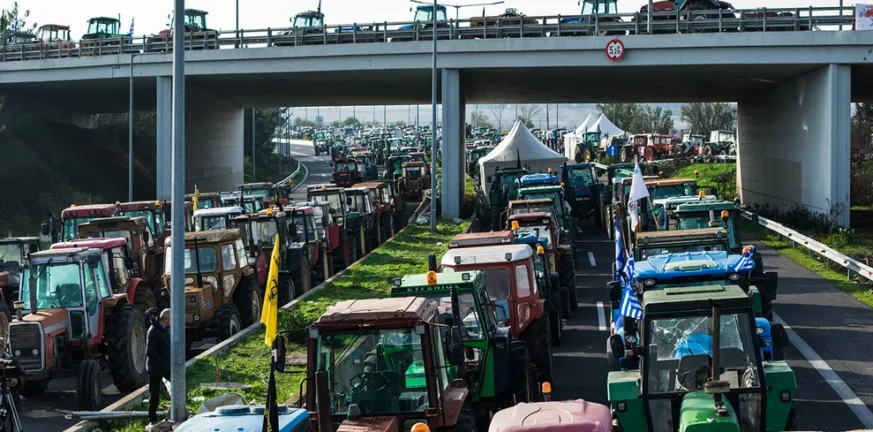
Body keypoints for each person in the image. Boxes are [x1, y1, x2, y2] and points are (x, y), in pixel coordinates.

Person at [147, 308, 171, 426]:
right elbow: (150, 352)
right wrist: (162, 362)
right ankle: (152, 418)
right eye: (171, 319)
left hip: (164, 366)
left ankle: (175, 410)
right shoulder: (154, 331)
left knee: (177, 384)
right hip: (155, 368)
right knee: (154, 394)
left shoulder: (163, 330)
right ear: (166, 319)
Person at [0, 337, 24, 408]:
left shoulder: (11, 360)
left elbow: (21, 374)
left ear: (4, 347)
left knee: (12, 418)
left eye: (1, 346)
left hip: (11, 398)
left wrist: (17, 381)